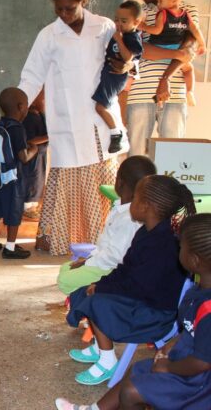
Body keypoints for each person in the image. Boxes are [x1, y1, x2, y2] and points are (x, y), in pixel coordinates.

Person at [56, 213, 211, 409]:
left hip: (199, 384)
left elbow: (202, 362)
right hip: (187, 362)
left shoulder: (208, 307)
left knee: (132, 391)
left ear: (195, 260)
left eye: (182, 246)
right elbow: (191, 332)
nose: (177, 248)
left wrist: (168, 367)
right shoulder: (198, 292)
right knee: (136, 370)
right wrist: (171, 345)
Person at [19, 0, 124, 256]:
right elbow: (31, 76)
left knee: (104, 183)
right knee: (68, 176)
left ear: (83, 0)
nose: (64, 14)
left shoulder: (104, 27)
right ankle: (65, 240)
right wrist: (18, 105)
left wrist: (127, 69)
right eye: (59, 9)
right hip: (67, 120)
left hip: (102, 120)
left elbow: (124, 59)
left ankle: (106, 245)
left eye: (70, 8)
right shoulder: (48, 35)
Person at [64, 175, 195, 386]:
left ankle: (108, 361)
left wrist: (103, 289)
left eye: (134, 199)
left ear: (147, 207)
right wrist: (101, 283)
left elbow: (140, 286)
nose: (130, 203)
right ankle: (100, 346)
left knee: (97, 302)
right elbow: (126, 269)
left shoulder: (165, 244)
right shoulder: (146, 232)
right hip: (140, 298)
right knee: (85, 291)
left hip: (155, 314)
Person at [55, 155, 156, 295]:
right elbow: (105, 245)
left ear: (119, 182)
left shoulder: (130, 218)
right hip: (104, 262)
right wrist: (89, 259)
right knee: (66, 268)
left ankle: (95, 298)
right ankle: (86, 295)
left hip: (112, 269)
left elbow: (114, 257)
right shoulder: (119, 207)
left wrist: (88, 263)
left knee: (65, 280)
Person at [126, 0, 200, 156]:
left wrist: (165, 78)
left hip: (175, 92)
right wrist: (176, 54)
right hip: (141, 92)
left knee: (172, 155)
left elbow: (189, 49)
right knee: (137, 155)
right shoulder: (137, 13)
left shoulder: (186, 11)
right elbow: (140, 51)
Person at [0, 87, 37, 260]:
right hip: (14, 177)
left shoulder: (1, 123)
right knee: (14, 210)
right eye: (27, 104)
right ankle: (10, 247)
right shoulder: (17, 128)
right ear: (21, 107)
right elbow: (24, 157)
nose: (27, 108)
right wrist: (33, 148)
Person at [138, 0, 206, 105]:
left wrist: (144, 26)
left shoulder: (163, 14)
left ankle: (161, 100)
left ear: (174, 1)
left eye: (160, 1)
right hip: (177, 50)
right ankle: (190, 91)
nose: (158, 4)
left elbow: (157, 30)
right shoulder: (185, 15)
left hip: (160, 49)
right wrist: (202, 44)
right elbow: (195, 29)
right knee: (189, 69)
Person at [91, 0, 144, 153]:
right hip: (108, 72)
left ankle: (116, 133)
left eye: (124, 21)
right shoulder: (119, 33)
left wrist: (119, 39)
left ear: (136, 22)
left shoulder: (132, 38)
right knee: (100, 106)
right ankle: (115, 132)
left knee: (100, 107)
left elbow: (128, 58)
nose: (118, 23)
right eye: (116, 19)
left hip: (115, 76)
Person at [21, 91, 48, 221]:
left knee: (39, 180)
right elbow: (30, 140)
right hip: (33, 155)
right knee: (32, 179)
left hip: (41, 155)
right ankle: (27, 207)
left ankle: (33, 206)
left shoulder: (40, 115)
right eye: (42, 99)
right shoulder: (29, 117)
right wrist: (48, 137)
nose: (44, 101)